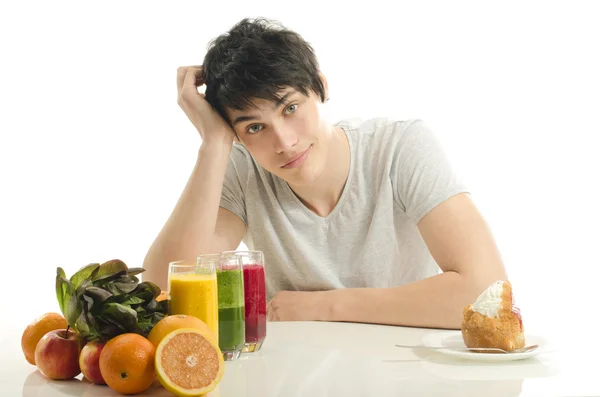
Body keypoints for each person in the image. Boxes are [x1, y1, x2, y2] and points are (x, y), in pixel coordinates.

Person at [143, 17, 508, 330]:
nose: (283, 142)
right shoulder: (242, 169)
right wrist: (214, 144)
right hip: (294, 375)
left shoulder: (399, 148)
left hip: (404, 368)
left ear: (320, 86)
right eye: (254, 128)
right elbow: (163, 287)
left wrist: (325, 306)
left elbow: (486, 290)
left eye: (290, 107)